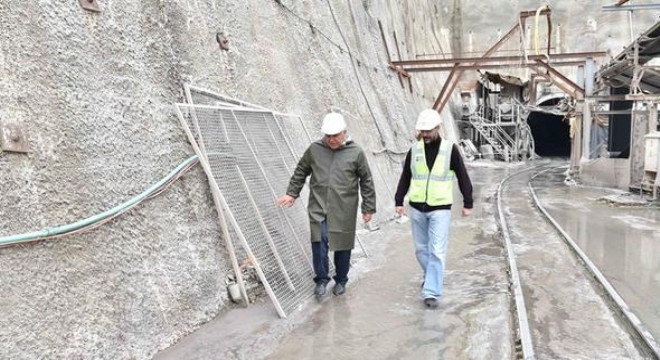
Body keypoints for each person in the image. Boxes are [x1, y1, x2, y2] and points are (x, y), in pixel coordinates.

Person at [277, 112, 376, 297]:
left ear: (344, 133)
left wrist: (368, 207)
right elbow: (301, 171)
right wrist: (292, 193)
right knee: (319, 241)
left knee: (342, 244)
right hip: (318, 205)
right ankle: (321, 279)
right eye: (327, 136)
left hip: (344, 208)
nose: (330, 139)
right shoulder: (315, 149)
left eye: (335, 136)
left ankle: (341, 279)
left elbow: (366, 180)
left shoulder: (356, 152)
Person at [394, 109, 473, 309]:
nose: (425, 135)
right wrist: (398, 200)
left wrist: (468, 201)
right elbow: (406, 176)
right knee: (421, 250)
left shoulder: (450, 150)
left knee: (436, 251)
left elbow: (463, 176)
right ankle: (431, 276)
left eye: (428, 131)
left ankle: (431, 292)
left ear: (438, 128)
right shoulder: (415, 150)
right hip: (417, 209)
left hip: (440, 209)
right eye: (422, 131)